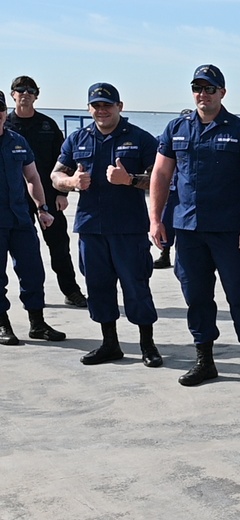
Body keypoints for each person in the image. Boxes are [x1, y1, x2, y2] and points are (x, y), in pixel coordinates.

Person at [148, 64, 240, 390]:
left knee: (239, 295)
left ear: (222, 93)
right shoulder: (177, 128)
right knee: (196, 296)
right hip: (187, 230)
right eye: (198, 88)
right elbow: (160, 175)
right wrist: (156, 219)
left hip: (230, 230)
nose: (203, 94)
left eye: (210, 89)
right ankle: (205, 361)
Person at [51, 83, 161, 367]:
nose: (101, 110)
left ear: (119, 107)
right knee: (98, 287)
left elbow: (161, 179)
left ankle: (147, 344)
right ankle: (109, 344)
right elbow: (55, 176)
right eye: (96, 105)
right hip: (91, 229)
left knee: (136, 287)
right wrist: (71, 183)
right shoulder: (77, 139)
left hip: (128, 229)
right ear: (89, 108)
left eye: (107, 105)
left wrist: (130, 180)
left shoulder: (141, 139)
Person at [6, 76, 88, 308]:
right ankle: (31, 297)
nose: (25, 93)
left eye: (31, 90)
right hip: (14, 200)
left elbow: (63, 162)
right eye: (20, 90)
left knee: (59, 246)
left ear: (36, 95)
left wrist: (63, 193)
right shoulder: (5, 126)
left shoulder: (47, 125)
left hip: (49, 196)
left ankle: (71, 291)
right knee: (23, 252)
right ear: (13, 94)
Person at [0, 91, 65, 345]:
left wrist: (42, 208)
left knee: (33, 271)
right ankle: (3, 324)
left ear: (5, 112)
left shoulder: (18, 141)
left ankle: (37, 324)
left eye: (0, 110)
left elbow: (33, 177)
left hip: (20, 218)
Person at [152, 109, 192, 270]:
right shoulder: (169, 137)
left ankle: (185, 256)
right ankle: (164, 254)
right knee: (166, 222)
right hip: (171, 189)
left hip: (186, 189)